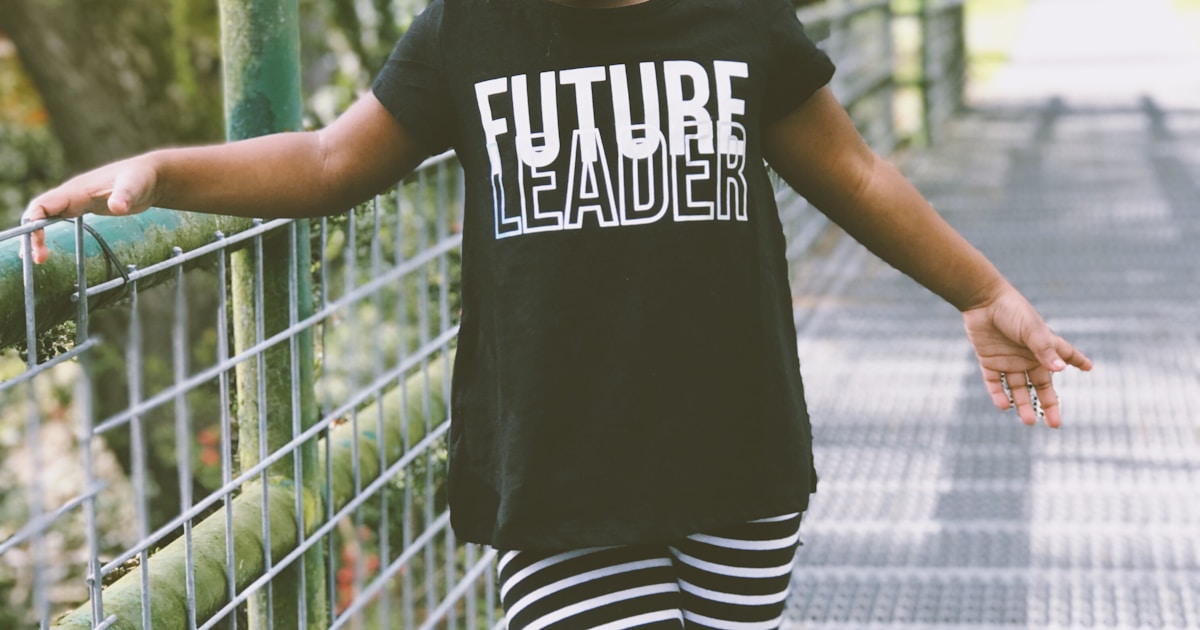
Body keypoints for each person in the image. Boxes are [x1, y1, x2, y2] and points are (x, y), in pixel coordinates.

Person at [22, 0, 1092, 627]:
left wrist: (984, 292)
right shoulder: (469, 29)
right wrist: (163, 170)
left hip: (736, 460)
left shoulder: (739, 20)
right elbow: (324, 161)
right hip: (557, 465)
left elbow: (854, 173)